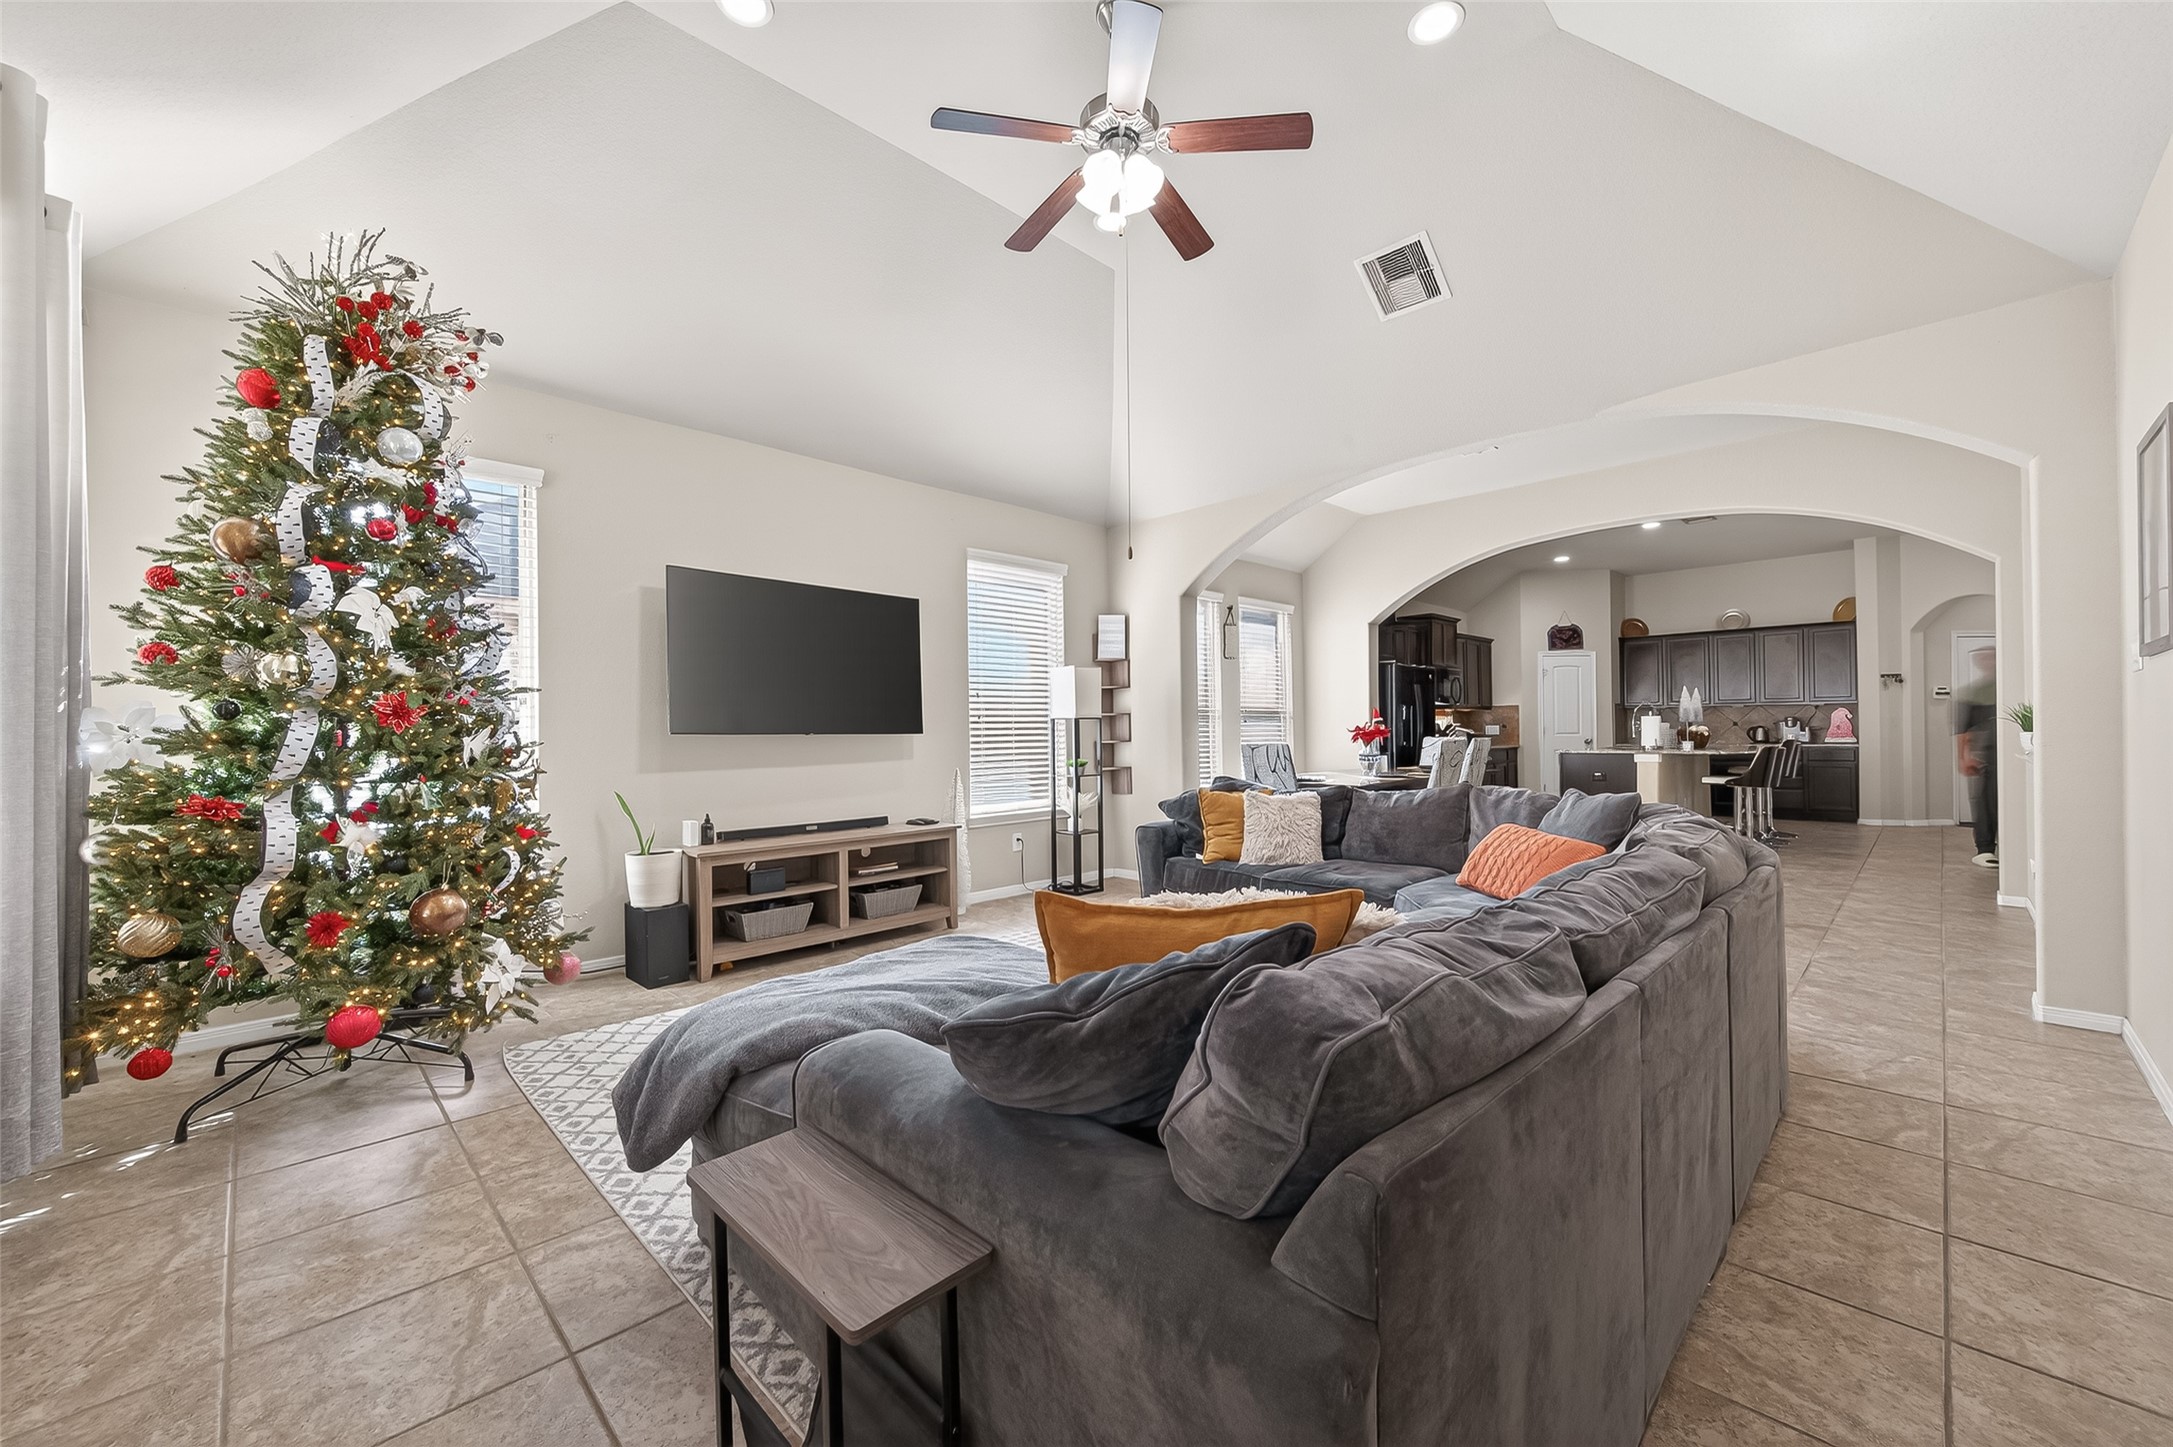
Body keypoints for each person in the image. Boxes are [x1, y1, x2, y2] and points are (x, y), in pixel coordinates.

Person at [1954, 647, 1998, 867]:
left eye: (1991, 657)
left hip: (2007, 755)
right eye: (1983, 658)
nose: (1987, 661)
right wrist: (1964, 758)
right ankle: (1985, 849)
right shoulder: (1975, 693)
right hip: (1988, 756)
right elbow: (1963, 729)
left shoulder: (2013, 686)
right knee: (1985, 802)